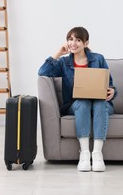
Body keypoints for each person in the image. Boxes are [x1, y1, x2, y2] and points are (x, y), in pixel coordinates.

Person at [38, 26, 117, 172]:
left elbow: (110, 84)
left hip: (100, 103)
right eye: (70, 39)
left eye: (78, 40)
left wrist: (112, 91)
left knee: (99, 103)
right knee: (83, 101)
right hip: (77, 105)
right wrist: (58, 53)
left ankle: (97, 153)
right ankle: (85, 153)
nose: (73, 43)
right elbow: (42, 71)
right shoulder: (64, 62)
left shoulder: (98, 59)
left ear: (86, 43)